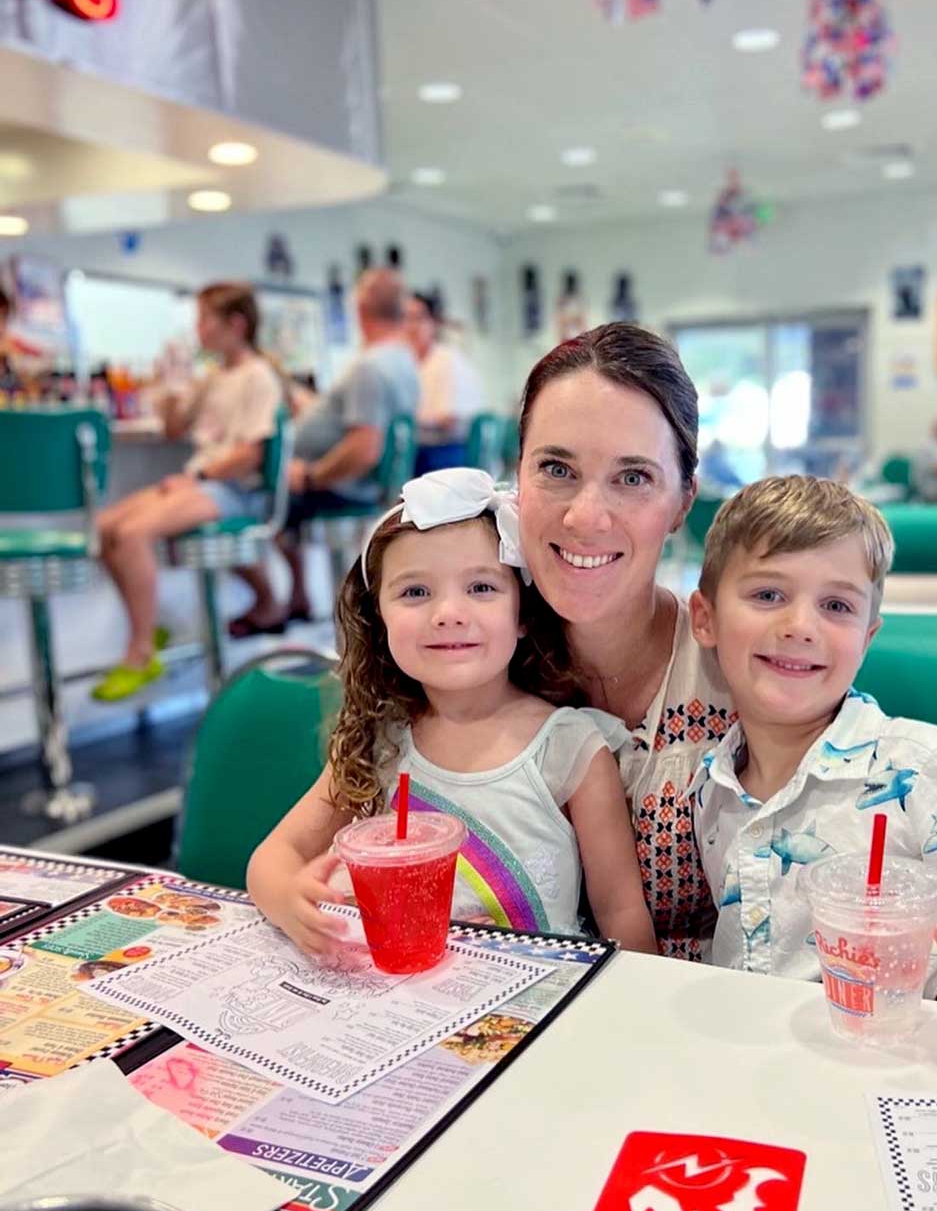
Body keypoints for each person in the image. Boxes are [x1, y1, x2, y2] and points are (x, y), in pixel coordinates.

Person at [688, 476, 937, 1088]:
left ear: (867, 636)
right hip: (754, 1085)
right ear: (705, 618)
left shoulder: (924, 767)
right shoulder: (708, 787)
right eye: (768, 594)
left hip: (901, 1083)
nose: (801, 625)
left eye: (837, 606)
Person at [246, 467, 657, 957]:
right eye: (415, 592)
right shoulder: (379, 741)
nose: (448, 613)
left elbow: (622, 914)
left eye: (481, 588)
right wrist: (289, 898)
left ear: (523, 613)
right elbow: (272, 858)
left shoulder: (570, 749)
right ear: (378, 618)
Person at [516, 323, 735, 960]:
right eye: (557, 468)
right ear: (517, 479)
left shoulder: (745, 666)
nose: (587, 516)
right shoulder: (467, 654)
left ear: (681, 503)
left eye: (633, 478)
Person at [91, 283, 283, 702]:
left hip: (234, 490)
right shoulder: (214, 377)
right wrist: (172, 386)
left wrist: (198, 477)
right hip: (205, 479)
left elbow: (252, 454)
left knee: (132, 535)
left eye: (203, 319)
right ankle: (151, 627)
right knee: (105, 526)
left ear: (235, 324)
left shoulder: (258, 377)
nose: (197, 329)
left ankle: (140, 651)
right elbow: (176, 428)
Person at [227, 268, 420, 636]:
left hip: (344, 488)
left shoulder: (371, 366)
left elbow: (365, 447)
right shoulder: (402, 361)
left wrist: (311, 476)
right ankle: (297, 596)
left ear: (360, 309)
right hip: (362, 486)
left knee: (240, 501)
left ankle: (269, 604)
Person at [403, 292, 486, 475]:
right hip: (414, 450)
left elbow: (448, 419)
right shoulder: (404, 364)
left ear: (434, 322)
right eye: (405, 318)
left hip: (446, 451)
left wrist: (411, 422)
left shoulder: (448, 360)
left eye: (418, 317)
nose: (411, 326)